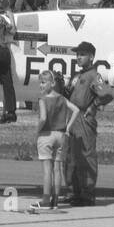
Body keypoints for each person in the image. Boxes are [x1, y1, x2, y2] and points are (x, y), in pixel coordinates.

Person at [61, 41, 113, 207]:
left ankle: (87, 194)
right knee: (70, 157)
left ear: (91, 57)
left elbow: (107, 93)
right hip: (72, 117)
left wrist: (94, 105)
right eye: (77, 54)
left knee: (86, 155)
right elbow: (68, 95)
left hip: (84, 118)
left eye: (82, 54)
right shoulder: (77, 76)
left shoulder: (93, 75)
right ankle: (73, 192)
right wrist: (61, 86)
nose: (78, 57)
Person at [30, 70, 79, 211]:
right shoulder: (62, 98)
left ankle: (46, 200)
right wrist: (68, 127)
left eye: (43, 82)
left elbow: (43, 118)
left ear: (52, 83)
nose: (41, 85)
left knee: (47, 170)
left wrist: (38, 130)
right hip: (61, 135)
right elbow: (75, 110)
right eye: (40, 82)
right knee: (57, 169)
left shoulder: (43, 99)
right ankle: (55, 201)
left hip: (46, 135)